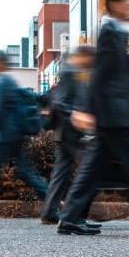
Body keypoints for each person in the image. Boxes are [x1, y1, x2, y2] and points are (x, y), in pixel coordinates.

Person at [57, 0, 129, 236]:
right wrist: (85, 109)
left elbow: (110, 71)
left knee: (93, 169)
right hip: (111, 113)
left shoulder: (114, 32)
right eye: (128, 3)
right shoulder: (109, 32)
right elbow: (100, 74)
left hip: (110, 113)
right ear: (116, 4)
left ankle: (70, 217)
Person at [0, 50, 48, 219]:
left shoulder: (3, 82)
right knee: (24, 171)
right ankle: (51, 199)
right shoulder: (9, 81)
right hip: (15, 133)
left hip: (8, 135)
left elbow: (1, 112)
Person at [40, 45, 99, 224]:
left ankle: (50, 212)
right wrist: (76, 115)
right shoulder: (70, 72)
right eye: (90, 59)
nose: (91, 63)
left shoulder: (72, 71)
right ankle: (75, 214)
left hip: (65, 132)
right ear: (82, 56)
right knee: (88, 171)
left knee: (61, 174)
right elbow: (60, 102)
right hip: (70, 132)